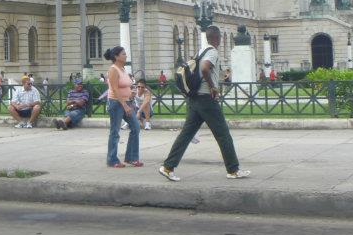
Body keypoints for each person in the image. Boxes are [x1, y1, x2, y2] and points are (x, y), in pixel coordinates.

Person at [158, 25, 250, 181]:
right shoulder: (212, 52)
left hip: (195, 99)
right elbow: (205, 68)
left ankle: (168, 167)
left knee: (186, 134)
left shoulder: (201, 50)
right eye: (220, 38)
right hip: (206, 99)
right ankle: (233, 170)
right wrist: (213, 86)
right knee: (223, 135)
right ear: (216, 38)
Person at [105, 46, 141, 167]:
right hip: (116, 103)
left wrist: (131, 93)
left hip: (127, 102)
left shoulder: (123, 69)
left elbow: (125, 85)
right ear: (116, 56)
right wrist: (124, 105)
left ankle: (131, 157)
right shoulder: (113, 70)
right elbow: (114, 89)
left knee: (135, 127)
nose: (126, 56)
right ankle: (112, 160)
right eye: (123, 54)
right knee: (115, 131)